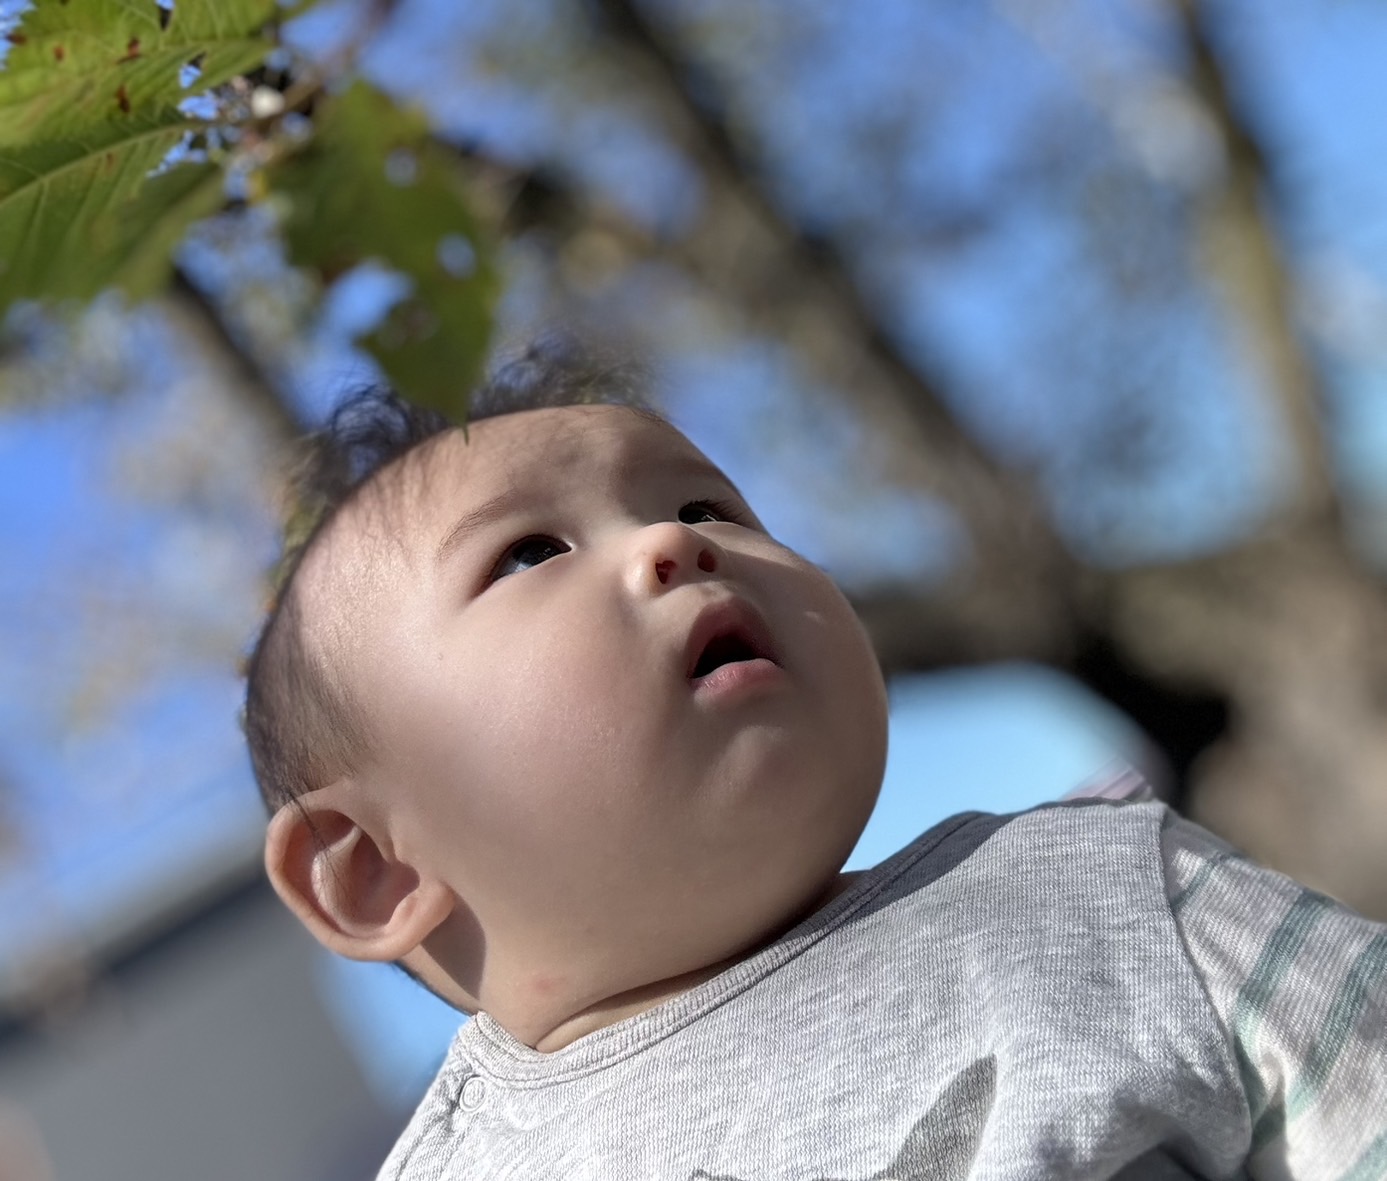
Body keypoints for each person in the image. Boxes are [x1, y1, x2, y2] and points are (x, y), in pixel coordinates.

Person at [244, 342, 1387, 1181]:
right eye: (528, 550)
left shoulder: (1109, 900)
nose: (671, 540)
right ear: (375, 868)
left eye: (707, 502)